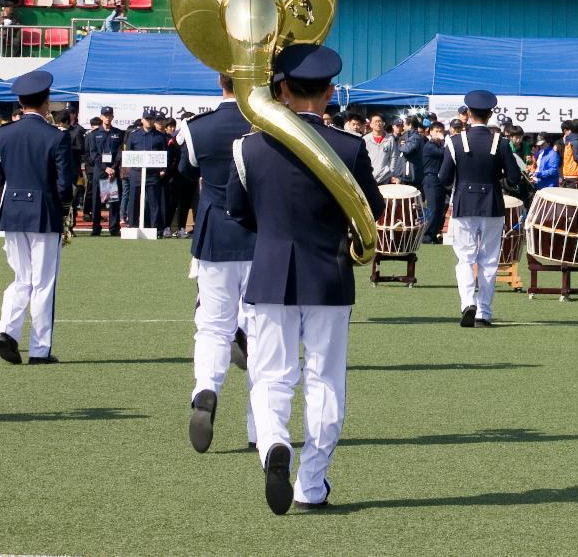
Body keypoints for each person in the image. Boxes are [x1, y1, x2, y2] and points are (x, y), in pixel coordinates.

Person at [225, 44, 383, 515]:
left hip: (271, 272)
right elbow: (370, 212)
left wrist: (276, 238)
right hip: (329, 275)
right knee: (325, 379)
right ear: (330, 93)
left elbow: (237, 210)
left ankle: (273, 441)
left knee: (271, 374)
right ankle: (311, 483)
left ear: (283, 89)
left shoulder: (248, 146)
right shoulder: (351, 148)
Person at [180, 74, 257, 453]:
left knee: (211, 326)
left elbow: (184, 172)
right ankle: (261, 428)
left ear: (219, 81)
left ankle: (206, 389)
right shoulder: (264, 125)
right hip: (261, 235)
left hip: (215, 234)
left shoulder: (198, 128)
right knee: (264, 331)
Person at [0, 70, 72, 366]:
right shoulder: (56, 137)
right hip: (44, 212)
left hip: (11, 212)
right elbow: (64, 185)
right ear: (46, 101)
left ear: (20, 101)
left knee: (21, 278)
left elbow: (0, 179)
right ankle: (39, 349)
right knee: (43, 283)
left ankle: (7, 330)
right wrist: (65, 209)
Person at [437, 90, 522, 327]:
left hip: (464, 204)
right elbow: (514, 179)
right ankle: (483, 312)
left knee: (465, 258)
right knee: (489, 260)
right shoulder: (502, 143)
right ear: (491, 113)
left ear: (468, 114)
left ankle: (467, 303)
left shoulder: (454, 142)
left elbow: (443, 178)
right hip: (493, 204)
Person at [126, 109, 169, 233]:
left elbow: (165, 154)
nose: (149, 121)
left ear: (154, 120)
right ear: (142, 120)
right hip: (136, 172)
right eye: (147, 119)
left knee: (154, 201)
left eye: (151, 119)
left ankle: (155, 228)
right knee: (134, 200)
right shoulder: (134, 135)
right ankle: (132, 226)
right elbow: (129, 152)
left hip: (153, 174)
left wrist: (163, 169)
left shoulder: (160, 136)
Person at [86, 106, 123, 235]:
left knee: (112, 201)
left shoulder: (118, 133)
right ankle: (96, 228)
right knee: (96, 201)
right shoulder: (94, 134)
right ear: (101, 117)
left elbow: (119, 152)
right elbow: (93, 154)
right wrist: (105, 168)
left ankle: (113, 228)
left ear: (113, 116)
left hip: (112, 171)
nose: (107, 117)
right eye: (105, 115)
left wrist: (113, 168)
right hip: (100, 170)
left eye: (109, 115)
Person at [421, 122, 448, 244]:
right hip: (430, 179)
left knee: (439, 208)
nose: (439, 134)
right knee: (432, 208)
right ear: (430, 132)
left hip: (439, 180)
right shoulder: (430, 146)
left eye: (441, 131)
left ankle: (433, 234)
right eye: (436, 131)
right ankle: (426, 236)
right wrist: (445, 141)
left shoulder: (439, 146)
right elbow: (444, 153)